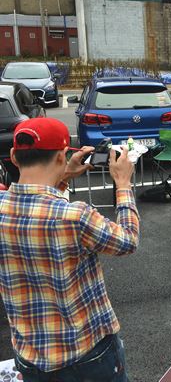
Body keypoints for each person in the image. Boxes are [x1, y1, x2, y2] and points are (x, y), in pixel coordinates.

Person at [0, 118, 138, 381]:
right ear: (63, 156)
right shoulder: (75, 216)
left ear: (14, 157)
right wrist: (123, 184)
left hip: (30, 356)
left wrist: (62, 177)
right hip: (88, 352)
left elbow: (36, 205)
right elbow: (127, 240)